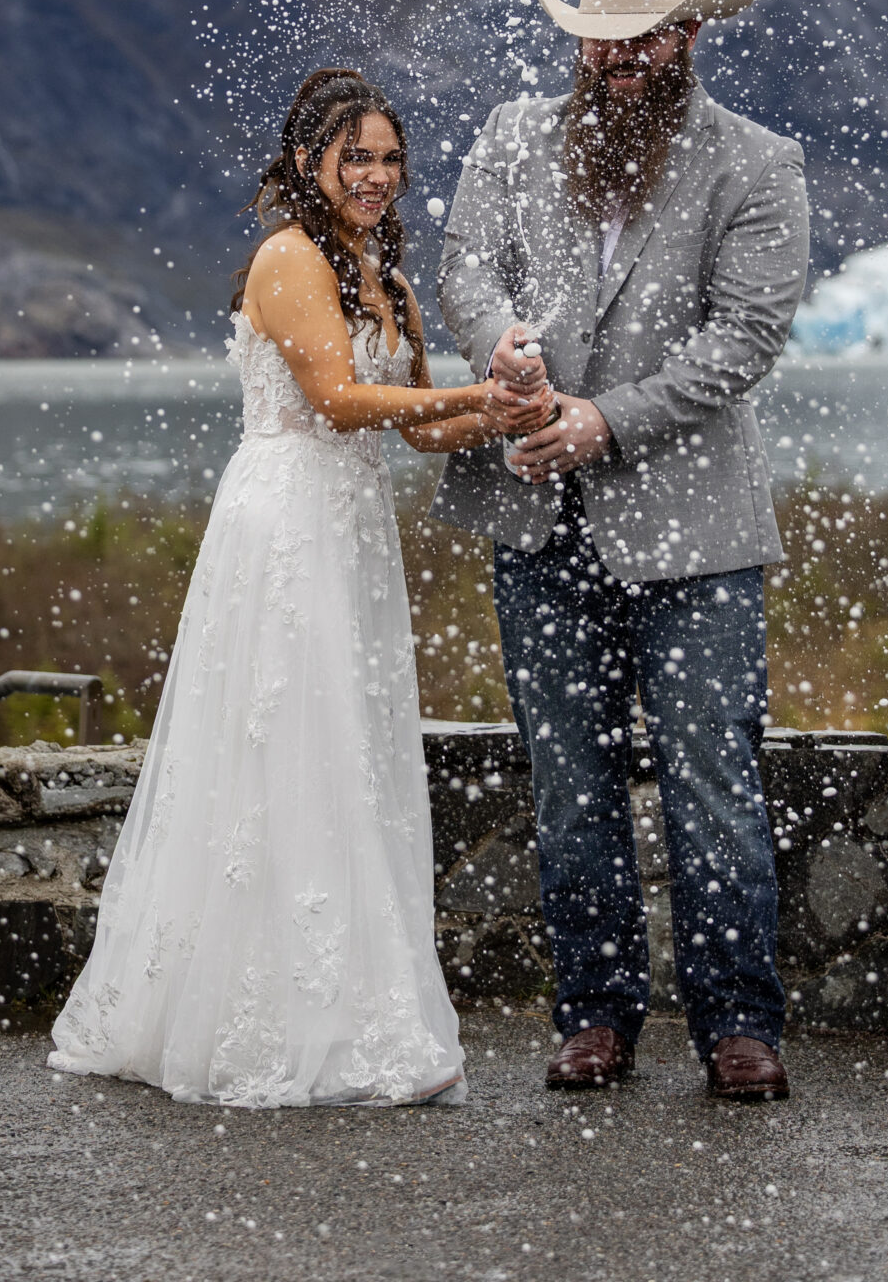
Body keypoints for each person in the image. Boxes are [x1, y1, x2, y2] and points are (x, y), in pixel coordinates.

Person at [49, 68, 547, 1106]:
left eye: (388, 157)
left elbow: (413, 426)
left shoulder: (390, 278)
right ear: (306, 160)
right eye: (353, 155)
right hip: (282, 523)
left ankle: (348, 1006)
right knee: (279, 749)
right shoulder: (286, 257)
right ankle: (251, 1012)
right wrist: (470, 383)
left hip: (354, 529)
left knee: (347, 751)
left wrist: (497, 417)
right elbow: (332, 397)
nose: (374, 175)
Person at [433, 0, 809, 1100]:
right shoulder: (506, 136)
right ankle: (594, 1013)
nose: (624, 61)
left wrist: (604, 420)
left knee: (710, 775)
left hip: (694, 535)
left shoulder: (755, 160)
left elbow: (742, 341)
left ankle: (738, 1024)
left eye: (646, 40)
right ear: (578, 42)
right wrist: (498, 340)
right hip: (536, 522)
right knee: (567, 779)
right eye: (603, 43)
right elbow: (462, 267)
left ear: (689, 35)